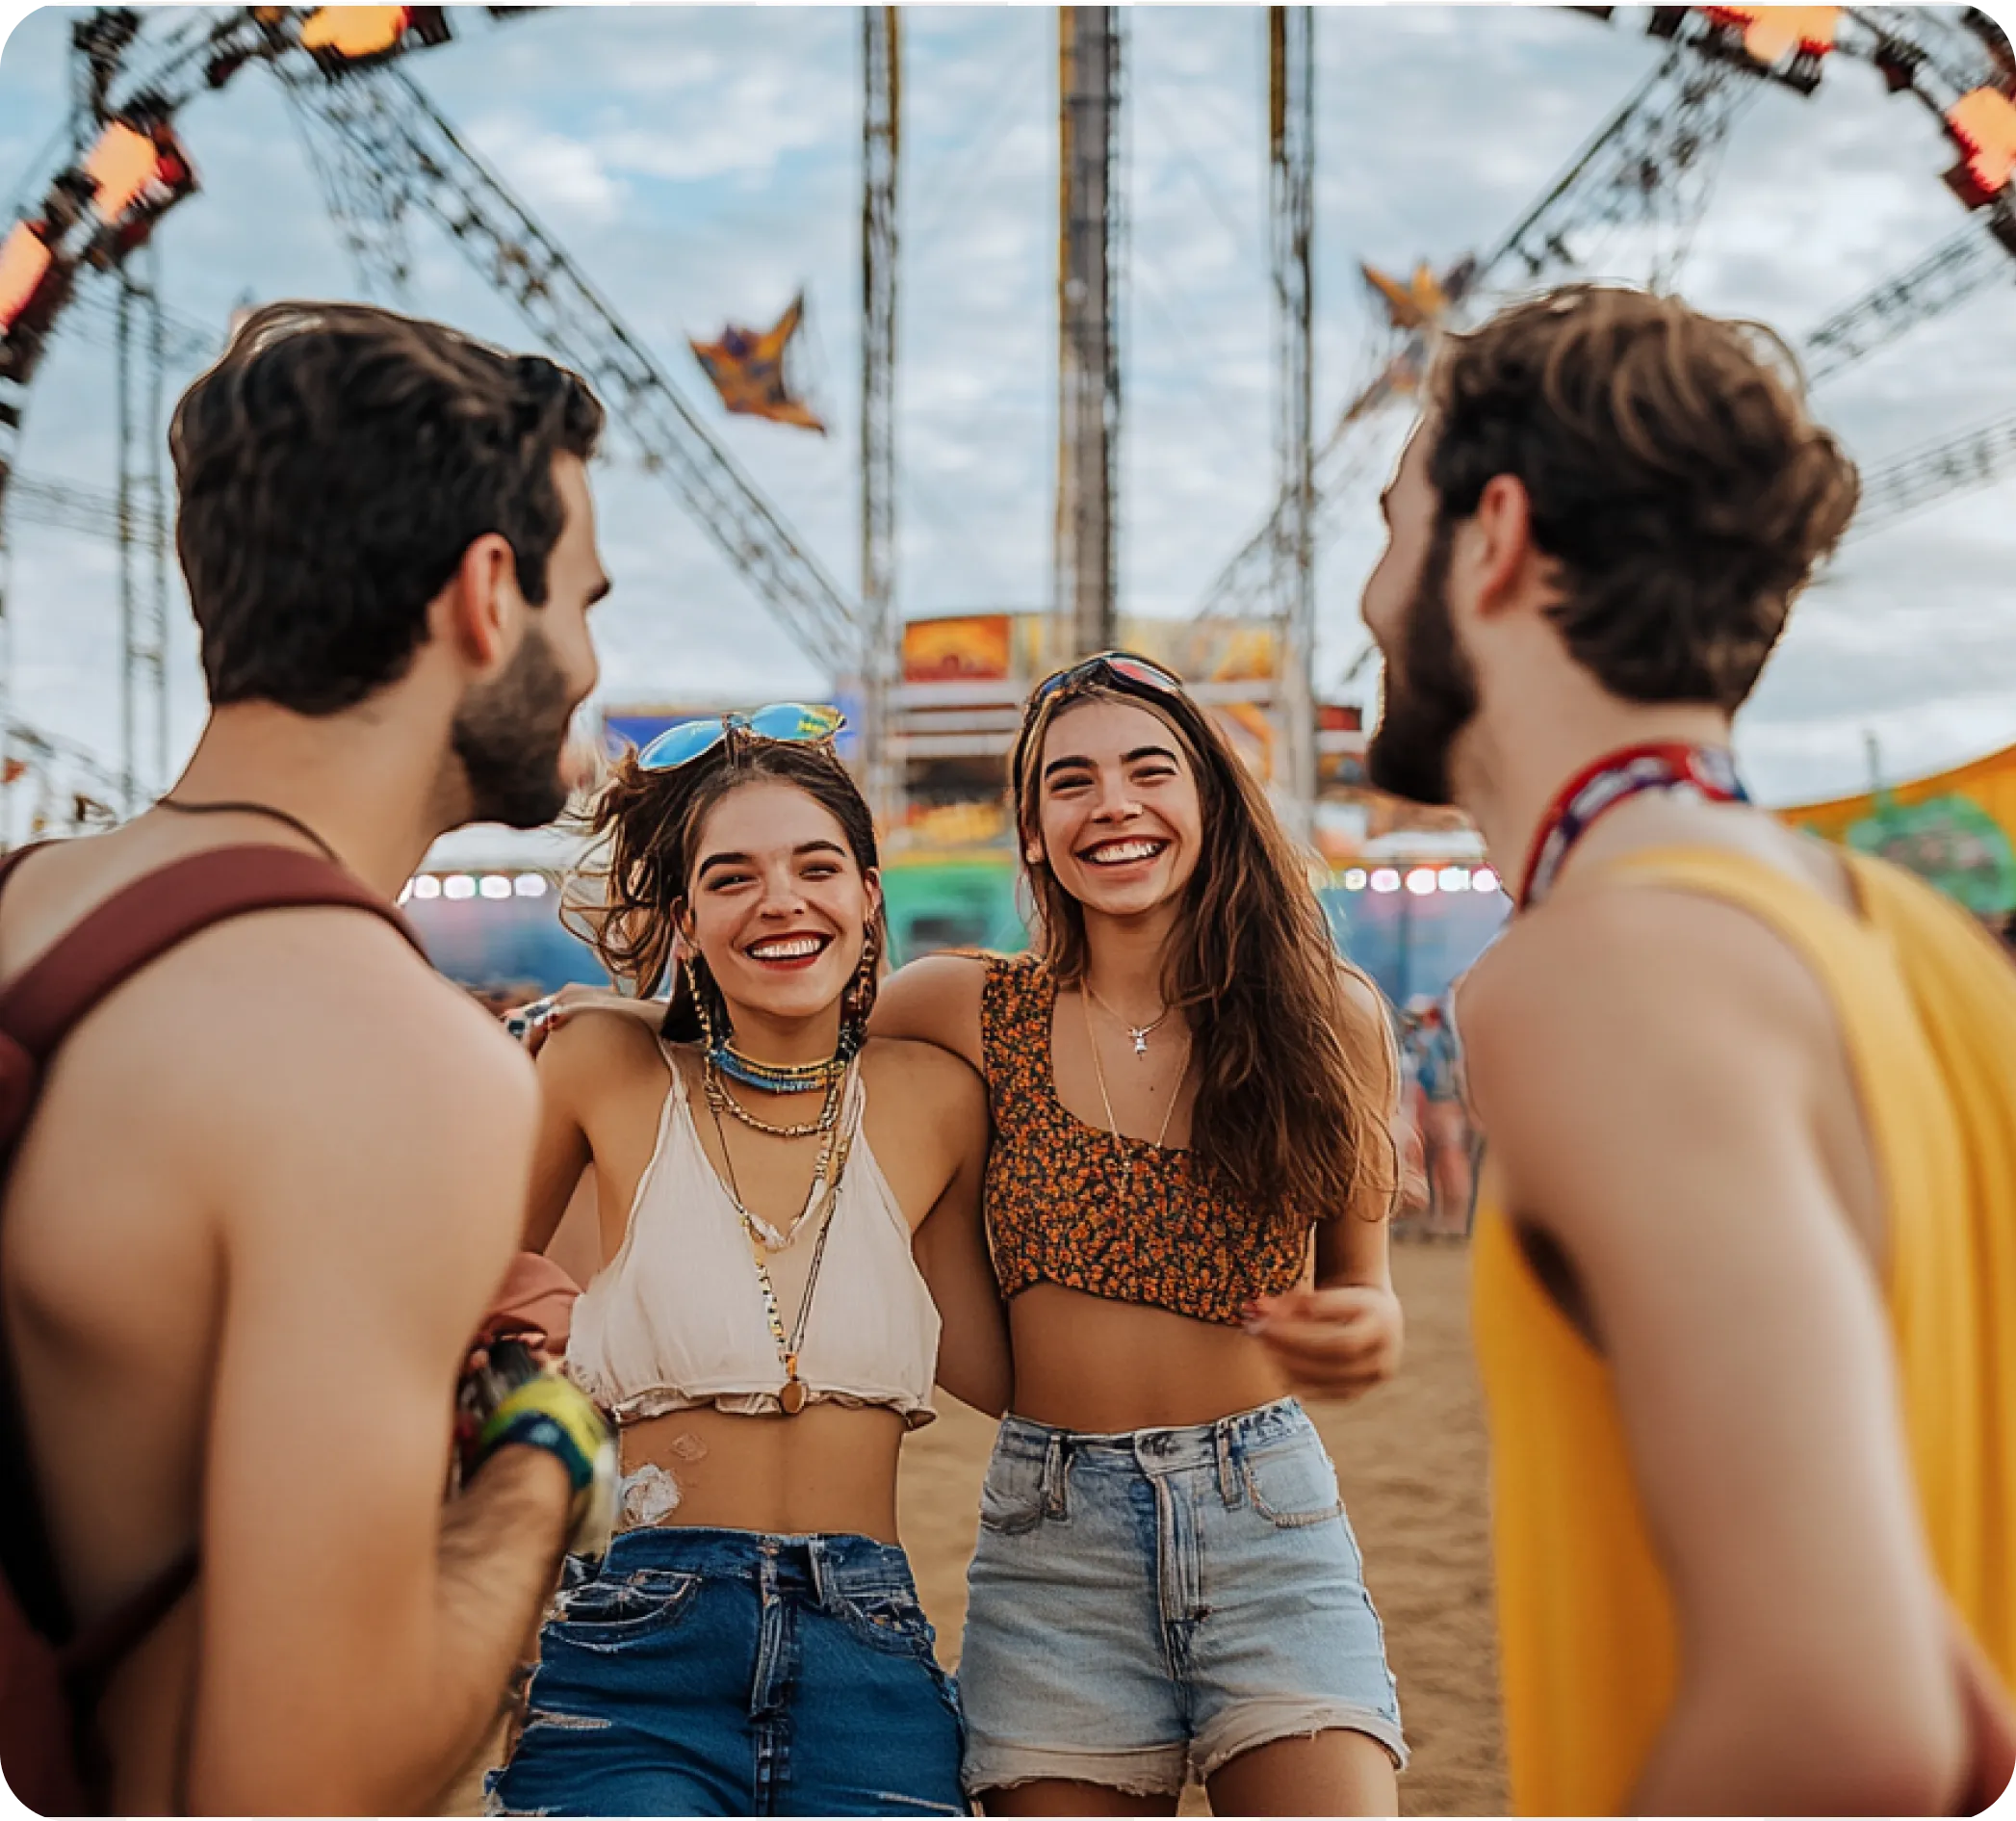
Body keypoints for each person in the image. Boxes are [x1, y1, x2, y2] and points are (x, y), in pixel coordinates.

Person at [1357, 280, 2016, 1815]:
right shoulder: (1911, 941)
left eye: (1393, 525)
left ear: (1496, 532)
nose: (1370, 594)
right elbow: (1950, 1674)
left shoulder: (1617, 961)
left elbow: (1845, 1726)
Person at [0, 301, 617, 1814]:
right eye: (584, 600)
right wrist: (543, 1455)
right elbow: (299, 1776)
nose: (594, 661)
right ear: (487, 593)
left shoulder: (28, 904)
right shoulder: (381, 1050)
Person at [872, 653, 1409, 1816]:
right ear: (1032, 831)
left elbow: (1367, 1285)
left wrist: (1365, 1332)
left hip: (1269, 1517)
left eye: (1148, 769)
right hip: (1050, 1540)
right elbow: (772, 1050)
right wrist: (605, 1022)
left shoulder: (1332, 1017)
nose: (1111, 803)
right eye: (1070, 782)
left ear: (1209, 798)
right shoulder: (956, 1005)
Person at [488, 712, 1007, 1818]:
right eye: (732, 879)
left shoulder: (939, 1101)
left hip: (871, 1652)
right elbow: (465, 1300)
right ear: (684, 921)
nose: (781, 901)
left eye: (817, 867)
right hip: (637, 1650)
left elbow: (1006, 1374)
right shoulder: (599, 1067)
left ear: (870, 896)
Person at [1401, 997, 1471, 1238]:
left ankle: (1456, 1222)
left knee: (1450, 1160)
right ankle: (1438, 1220)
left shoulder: (1444, 1044)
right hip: (1431, 1103)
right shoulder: (1421, 1045)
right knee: (1433, 1163)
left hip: (1445, 1103)